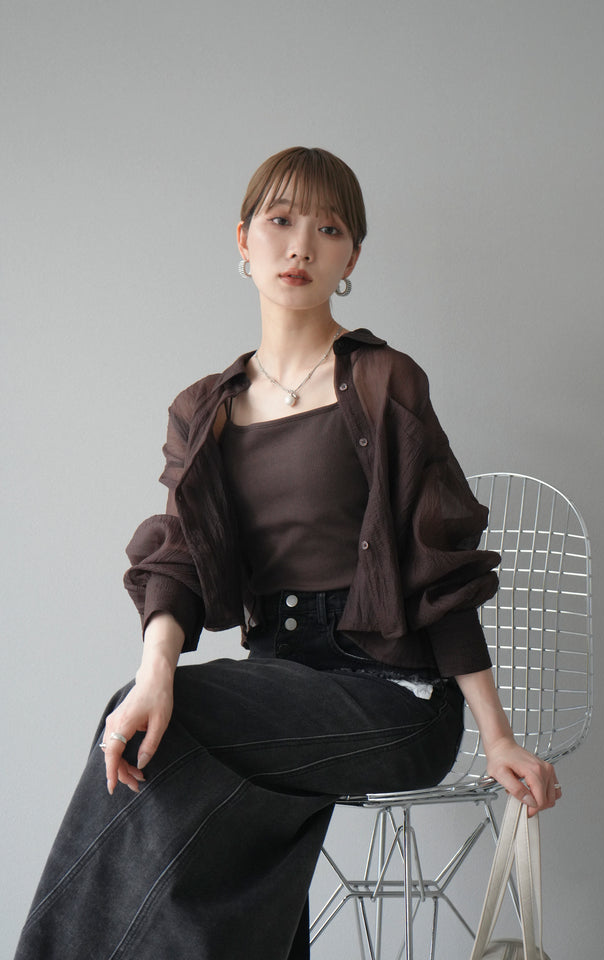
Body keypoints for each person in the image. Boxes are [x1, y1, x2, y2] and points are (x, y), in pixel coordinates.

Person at [14, 146, 560, 960]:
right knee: (179, 770)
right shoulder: (202, 410)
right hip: (281, 686)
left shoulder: (384, 381)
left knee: (176, 732)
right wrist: (154, 673)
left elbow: (436, 565)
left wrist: (497, 735)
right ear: (243, 240)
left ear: (351, 258)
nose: (301, 245)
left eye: (328, 229)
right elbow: (178, 559)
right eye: (280, 221)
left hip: (392, 695)